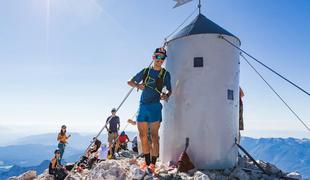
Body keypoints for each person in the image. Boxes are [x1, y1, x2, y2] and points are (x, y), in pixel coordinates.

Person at [127, 47, 172, 173]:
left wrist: (166, 95)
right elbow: (129, 81)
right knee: (142, 136)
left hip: (155, 107)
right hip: (143, 106)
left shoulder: (165, 74)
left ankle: (153, 165)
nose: (160, 60)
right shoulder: (146, 71)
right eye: (157, 56)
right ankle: (146, 163)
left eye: (162, 58)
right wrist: (138, 85)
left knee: (154, 137)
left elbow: (169, 89)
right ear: (153, 57)